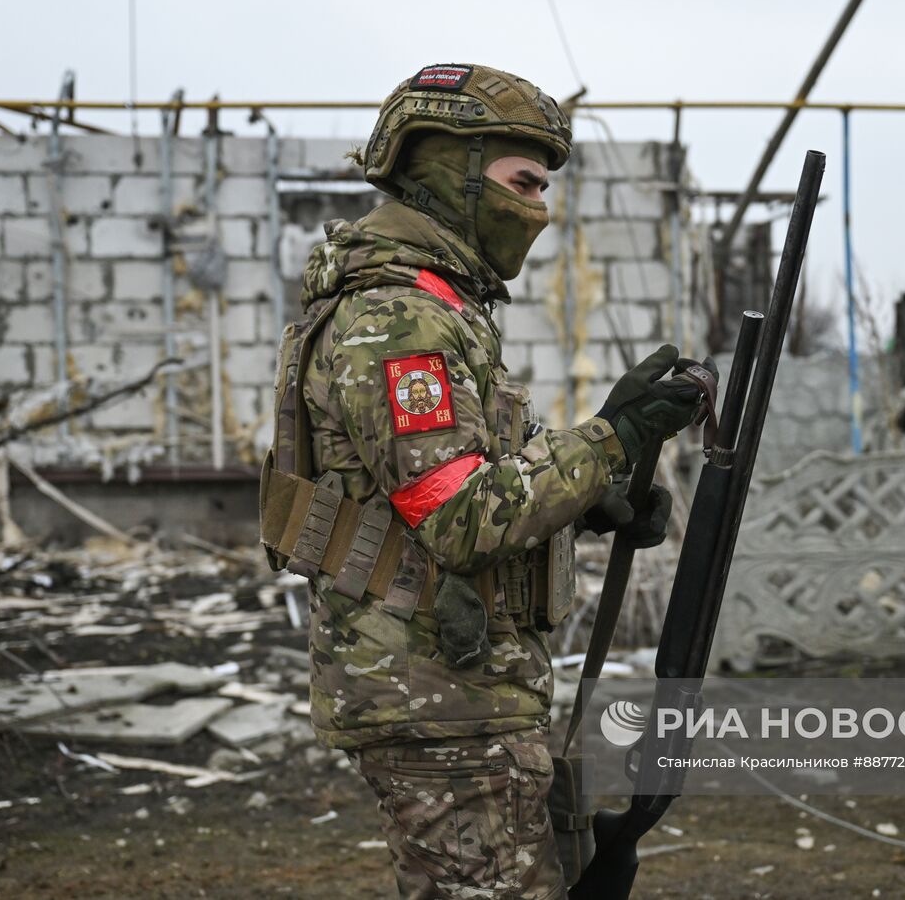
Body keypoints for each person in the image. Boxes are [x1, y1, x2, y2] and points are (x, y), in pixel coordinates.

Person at [263, 62, 711, 899]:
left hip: (460, 689)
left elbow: (457, 480)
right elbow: (464, 517)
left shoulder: (440, 305)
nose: (538, 209)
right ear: (448, 172)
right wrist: (613, 441)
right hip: (437, 701)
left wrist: (591, 499)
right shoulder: (399, 319)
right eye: (524, 183)